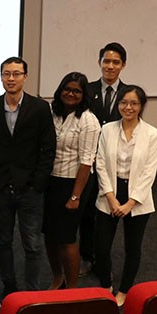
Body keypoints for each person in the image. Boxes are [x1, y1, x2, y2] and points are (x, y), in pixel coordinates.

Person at [0, 57, 55, 299]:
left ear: (25, 77)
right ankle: (9, 290)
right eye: (7, 74)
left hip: (30, 188)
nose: (11, 78)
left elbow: (48, 147)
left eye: (16, 74)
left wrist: (38, 183)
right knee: (3, 242)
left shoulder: (40, 108)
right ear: (1, 77)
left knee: (32, 244)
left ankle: (32, 293)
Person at [94, 85, 157, 307]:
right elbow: (100, 164)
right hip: (110, 193)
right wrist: (112, 198)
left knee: (133, 247)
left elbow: (149, 172)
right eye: (124, 102)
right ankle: (106, 285)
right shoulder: (107, 130)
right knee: (101, 247)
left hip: (137, 198)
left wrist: (130, 203)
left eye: (134, 103)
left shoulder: (153, 134)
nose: (128, 107)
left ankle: (124, 290)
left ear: (141, 106)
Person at [44, 72, 100, 289]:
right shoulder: (53, 113)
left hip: (74, 183)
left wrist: (75, 196)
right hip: (51, 181)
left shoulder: (88, 121)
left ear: (83, 95)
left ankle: (72, 287)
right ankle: (58, 278)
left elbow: (87, 162)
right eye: (67, 88)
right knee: (50, 234)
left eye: (76, 90)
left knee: (66, 238)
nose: (70, 93)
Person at [80, 42, 129, 276]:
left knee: (109, 212)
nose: (110, 66)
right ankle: (87, 257)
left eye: (115, 62)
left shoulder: (129, 94)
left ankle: (103, 259)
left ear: (123, 65)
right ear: (99, 62)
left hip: (115, 163)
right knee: (87, 211)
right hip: (88, 162)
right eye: (106, 61)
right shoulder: (86, 90)